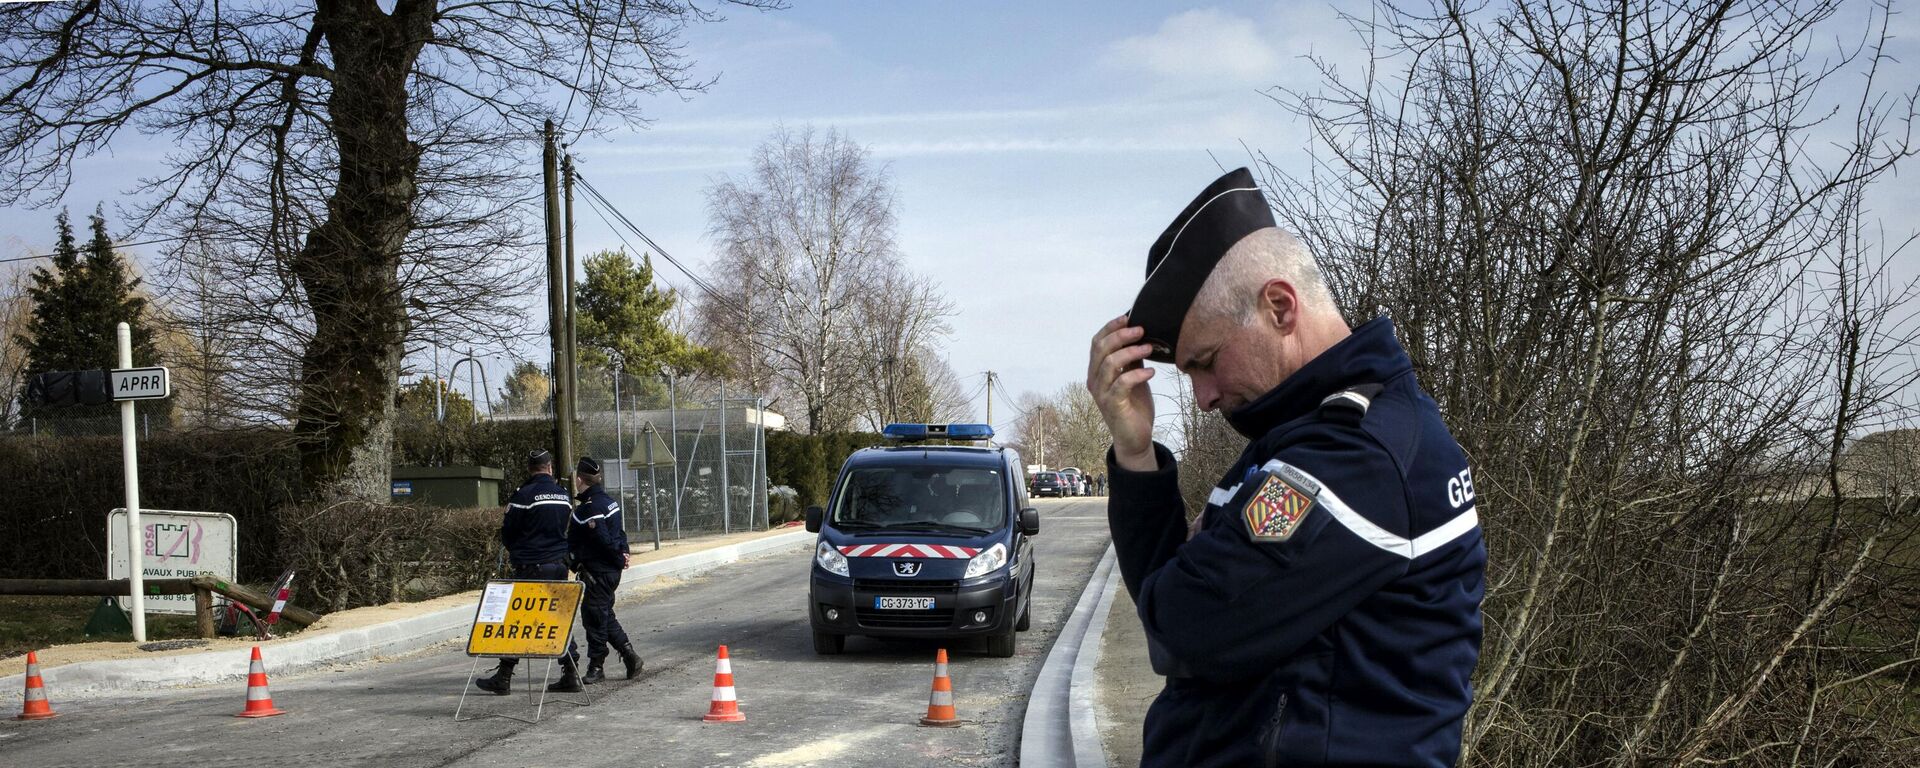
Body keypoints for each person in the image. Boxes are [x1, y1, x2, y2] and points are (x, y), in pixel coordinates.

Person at [1087, 167, 1485, 767]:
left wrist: (1197, 565)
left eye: (1206, 362)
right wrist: (1136, 454)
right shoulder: (1297, 438)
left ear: (1279, 305)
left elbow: (1181, 628)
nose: (1202, 397)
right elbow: (1166, 599)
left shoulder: (1360, 456)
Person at [474, 450, 584, 695]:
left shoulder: (523, 495)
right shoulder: (563, 495)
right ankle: (571, 671)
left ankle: (504, 677)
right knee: (556, 618)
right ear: (549, 468)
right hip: (558, 565)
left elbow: (508, 532)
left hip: (532, 566)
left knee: (519, 619)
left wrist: (519, 551)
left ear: (530, 468)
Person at [568, 456, 643, 683]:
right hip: (608, 571)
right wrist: (624, 553)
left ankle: (596, 666)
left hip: (598, 572)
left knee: (594, 618)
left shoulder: (589, 509)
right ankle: (630, 656)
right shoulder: (610, 502)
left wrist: (619, 558)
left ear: (580, 479)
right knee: (604, 615)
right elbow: (619, 534)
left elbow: (601, 540)